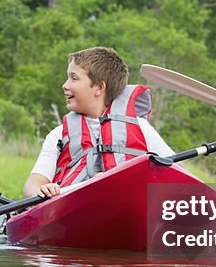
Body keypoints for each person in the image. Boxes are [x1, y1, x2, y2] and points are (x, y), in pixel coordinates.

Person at [23, 46, 173, 198]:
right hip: (75, 209)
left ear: (99, 88)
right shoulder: (58, 135)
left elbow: (177, 171)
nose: (65, 85)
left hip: (128, 204)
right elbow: (33, 184)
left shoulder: (140, 128)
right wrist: (41, 191)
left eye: (74, 78)